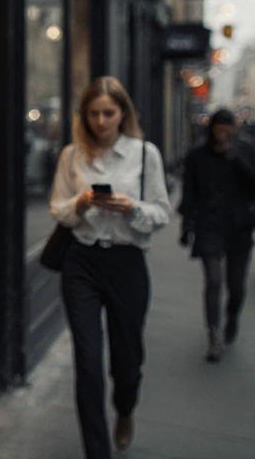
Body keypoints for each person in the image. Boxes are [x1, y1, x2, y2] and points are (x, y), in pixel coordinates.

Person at [50, 76, 170, 459]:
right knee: (87, 361)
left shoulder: (145, 153)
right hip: (81, 260)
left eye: (109, 113)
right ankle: (96, 451)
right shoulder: (71, 155)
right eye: (94, 113)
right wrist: (80, 205)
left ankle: (125, 408)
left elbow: (162, 212)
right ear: (84, 116)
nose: (101, 121)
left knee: (127, 359)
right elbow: (58, 207)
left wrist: (131, 208)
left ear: (123, 114)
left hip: (126, 262)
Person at [178, 110, 255, 363]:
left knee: (236, 285)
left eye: (228, 128)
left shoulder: (245, 151)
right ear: (212, 129)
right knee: (214, 280)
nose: (223, 133)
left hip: (239, 226)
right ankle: (213, 336)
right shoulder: (197, 156)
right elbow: (189, 192)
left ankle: (233, 315)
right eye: (219, 128)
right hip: (209, 224)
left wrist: (235, 158)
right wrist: (186, 227)